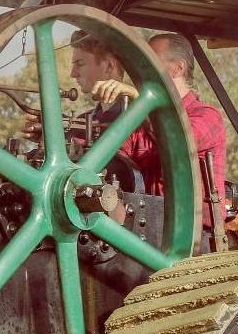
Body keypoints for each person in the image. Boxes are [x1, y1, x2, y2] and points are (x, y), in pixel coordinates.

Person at [83, 31, 227, 220]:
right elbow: (111, 155)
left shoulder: (207, 116)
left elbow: (178, 142)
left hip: (195, 231)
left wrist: (141, 100)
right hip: (150, 225)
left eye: (152, 62)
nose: (143, 70)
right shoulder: (143, 120)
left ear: (178, 68)